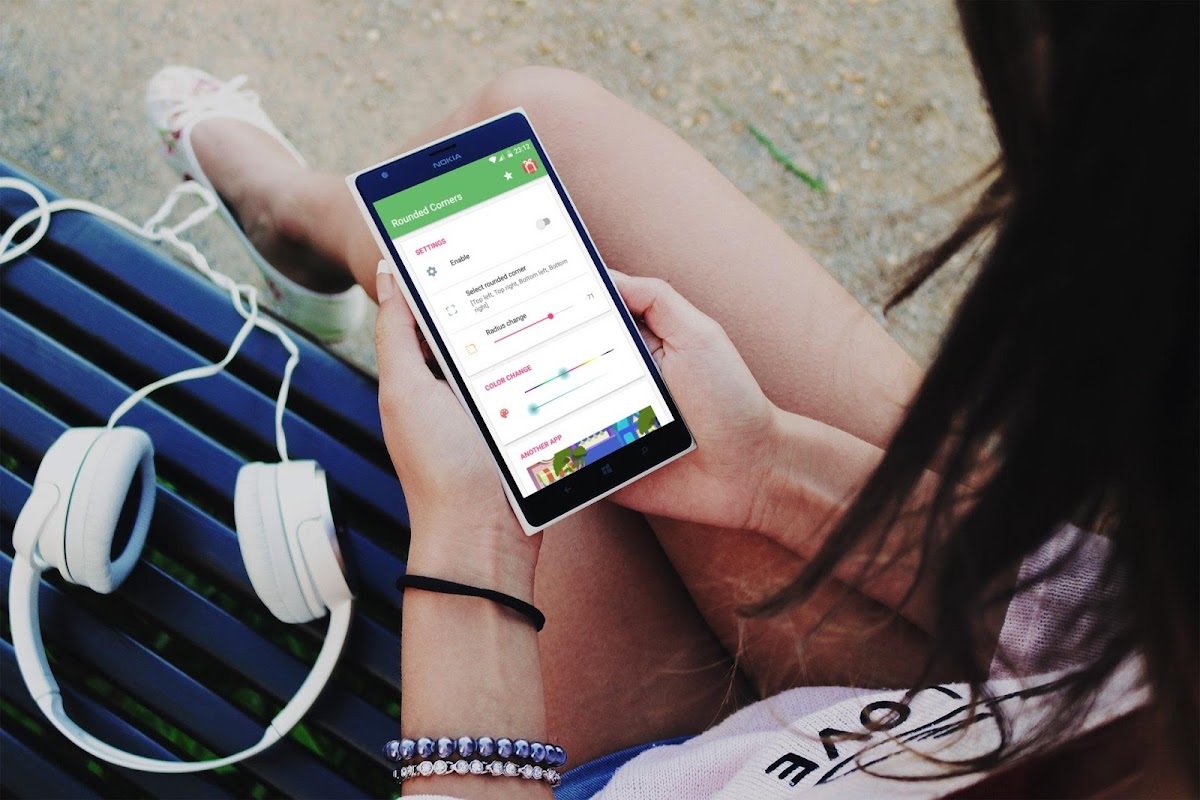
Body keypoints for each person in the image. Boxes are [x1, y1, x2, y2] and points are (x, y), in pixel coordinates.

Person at [144, 2, 1197, 797]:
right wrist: (767, 469)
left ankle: (307, 226)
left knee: (460, 278)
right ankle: (311, 222)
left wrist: (470, 545)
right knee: (521, 149)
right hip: (969, 684)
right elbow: (1099, 618)